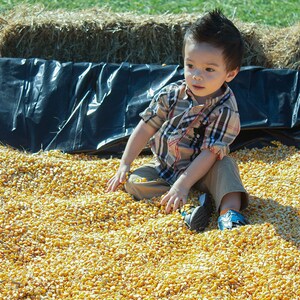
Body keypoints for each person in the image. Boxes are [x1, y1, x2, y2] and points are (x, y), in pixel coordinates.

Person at [106, 9, 249, 231]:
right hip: (167, 168)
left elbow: (209, 153)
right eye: (190, 66)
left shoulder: (225, 109)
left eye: (209, 69)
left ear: (230, 74)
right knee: (135, 183)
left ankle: (229, 212)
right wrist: (125, 163)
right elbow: (145, 128)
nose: (196, 75)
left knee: (226, 169)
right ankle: (193, 205)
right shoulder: (171, 94)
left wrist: (184, 184)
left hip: (204, 171)